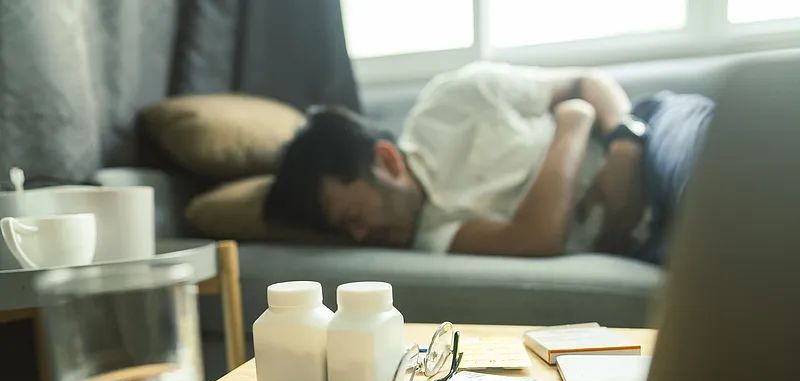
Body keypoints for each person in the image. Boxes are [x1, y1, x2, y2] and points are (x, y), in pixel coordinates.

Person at [265, 62, 714, 264]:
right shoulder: (430, 237)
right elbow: (537, 238)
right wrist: (572, 124)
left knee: (728, 173)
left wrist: (623, 146)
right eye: (347, 232)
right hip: (646, 236)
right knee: (735, 258)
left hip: (654, 134)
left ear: (386, 161)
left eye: (355, 217)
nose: (361, 238)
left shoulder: (453, 99)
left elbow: (586, 81)